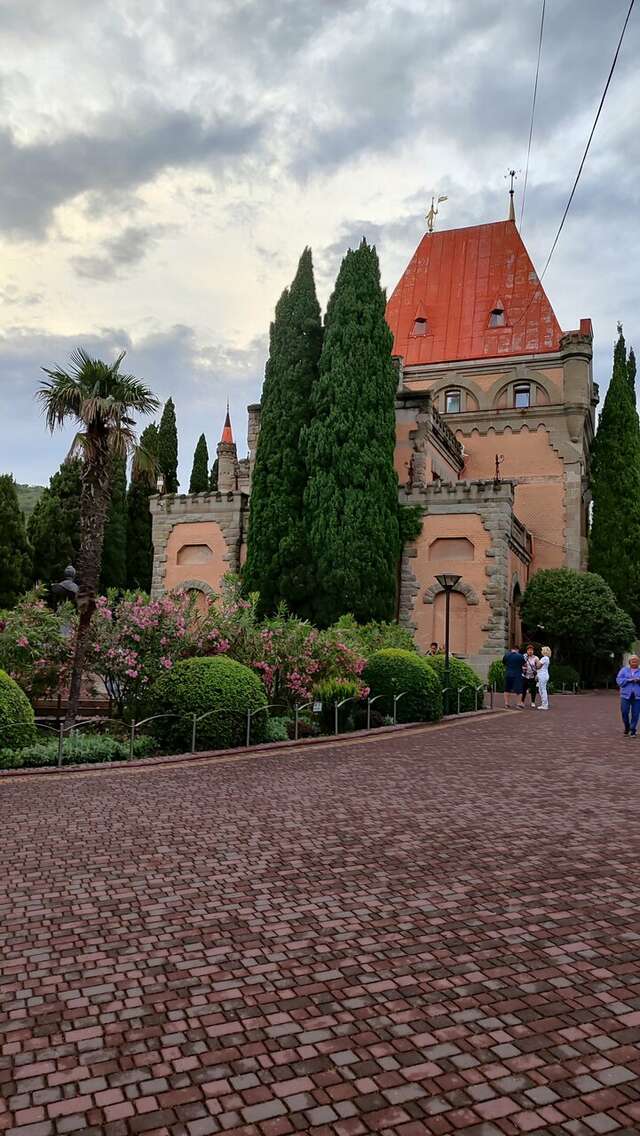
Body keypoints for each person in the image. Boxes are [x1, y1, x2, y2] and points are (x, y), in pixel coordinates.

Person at [616, 654, 640, 736]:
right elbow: (619, 680)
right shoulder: (624, 670)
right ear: (629, 662)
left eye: (636, 661)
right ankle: (627, 727)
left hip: (637, 696)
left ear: (638, 662)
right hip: (625, 695)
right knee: (624, 712)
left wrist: (638, 680)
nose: (634, 662)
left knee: (635, 714)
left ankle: (633, 730)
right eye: (632, 661)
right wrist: (628, 680)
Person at [502, 644, 524, 708]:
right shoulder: (520, 656)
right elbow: (524, 664)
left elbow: (504, 663)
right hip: (517, 674)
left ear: (511, 649)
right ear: (517, 649)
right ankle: (518, 704)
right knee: (519, 690)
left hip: (508, 674)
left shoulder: (506, 655)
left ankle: (506, 703)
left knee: (507, 689)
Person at [519, 644, 539, 708]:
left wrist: (537, 675)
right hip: (525, 675)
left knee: (533, 689)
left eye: (531, 650)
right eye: (529, 650)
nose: (530, 651)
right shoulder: (524, 657)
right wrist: (522, 668)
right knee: (523, 689)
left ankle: (533, 702)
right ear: (527, 651)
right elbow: (520, 665)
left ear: (533, 651)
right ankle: (522, 701)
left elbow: (538, 667)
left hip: (532, 676)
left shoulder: (536, 658)